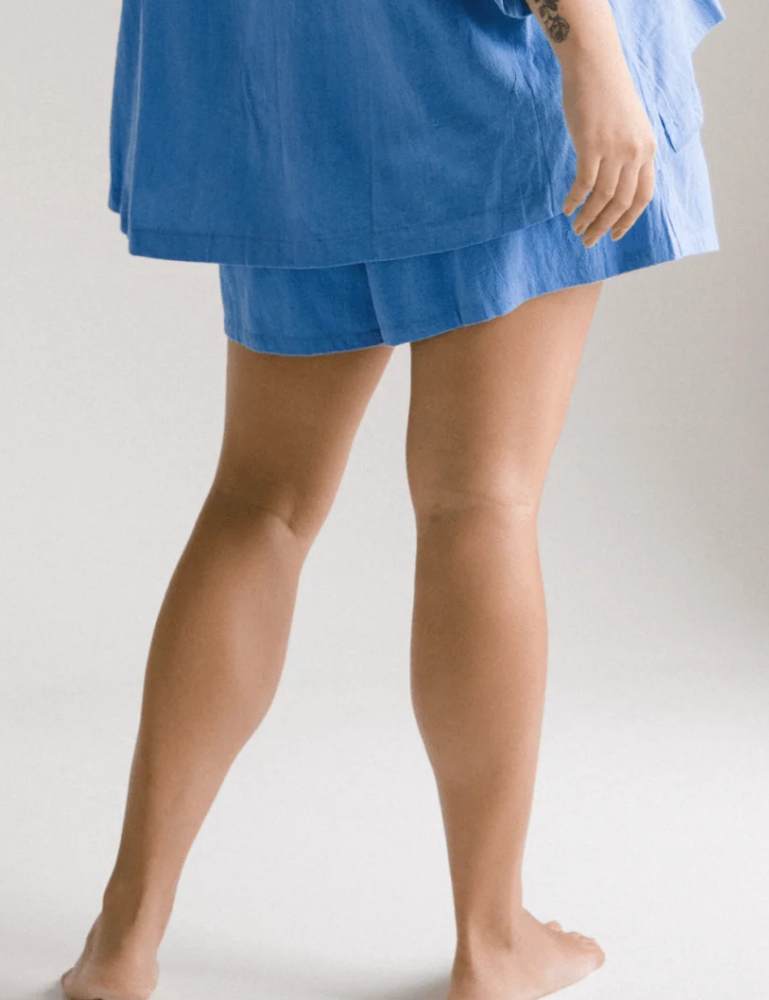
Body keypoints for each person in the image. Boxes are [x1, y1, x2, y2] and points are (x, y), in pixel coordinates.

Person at [61, 0, 725, 998]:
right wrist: (587, 43)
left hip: (284, 83)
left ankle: (124, 938)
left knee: (261, 503)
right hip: (470, 67)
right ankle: (490, 941)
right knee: (480, 500)